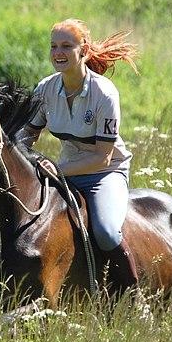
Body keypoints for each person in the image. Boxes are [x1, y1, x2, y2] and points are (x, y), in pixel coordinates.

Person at [23, 18, 139, 291]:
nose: (58, 53)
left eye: (66, 45)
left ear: (83, 50)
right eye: (53, 46)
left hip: (104, 174)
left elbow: (102, 157)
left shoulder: (104, 93)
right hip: (65, 171)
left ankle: (134, 294)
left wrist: (57, 170)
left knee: (107, 233)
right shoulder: (45, 89)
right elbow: (26, 136)